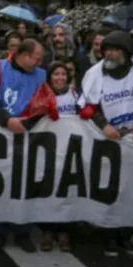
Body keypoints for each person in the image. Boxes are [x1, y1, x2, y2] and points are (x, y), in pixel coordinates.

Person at [78, 30, 133, 256]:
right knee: (110, 188)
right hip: (107, 141)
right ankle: (109, 236)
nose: (109, 54)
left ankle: (126, 235)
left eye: (114, 50)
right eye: (106, 50)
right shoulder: (94, 74)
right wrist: (103, 124)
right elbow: (85, 106)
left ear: (125, 52)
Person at [0, 38, 56, 253]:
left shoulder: (40, 74)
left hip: (26, 135)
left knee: (24, 185)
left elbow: (44, 103)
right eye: (36, 59)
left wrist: (28, 123)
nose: (39, 63)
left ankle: (23, 231)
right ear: (23, 55)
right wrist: (7, 121)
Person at [42, 61, 78, 251]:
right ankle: (48, 230)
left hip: (69, 152)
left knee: (66, 192)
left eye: (63, 74)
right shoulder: (42, 96)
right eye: (56, 74)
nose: (60, 78)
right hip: (47, 152)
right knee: (48, 191)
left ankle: (64, 230)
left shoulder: (75, 97)